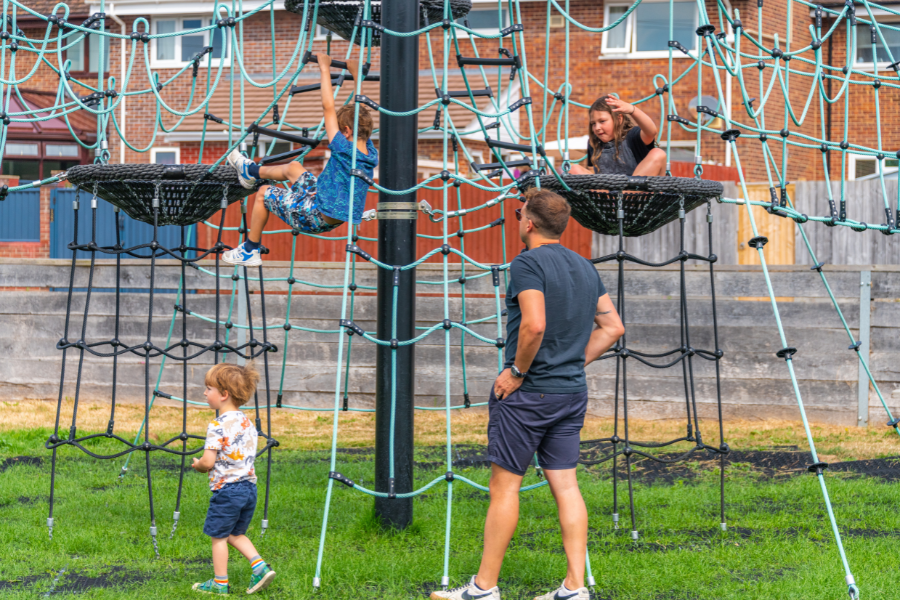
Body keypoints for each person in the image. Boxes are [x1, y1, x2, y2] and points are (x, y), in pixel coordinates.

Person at [429, 188, 625, 600]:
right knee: (567, 486)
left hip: (529, 395)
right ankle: (575, 588)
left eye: (519, 213)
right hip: (571, 393)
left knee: (504, 488)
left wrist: (517, 371)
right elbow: (613, 328)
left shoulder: (528, 263)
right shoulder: (585, 267)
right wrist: (573, 362)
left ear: (530, 223)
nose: (517, 218)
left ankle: (483, 589)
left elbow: (534, 325)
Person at [223, 53, 378, 267]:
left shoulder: (343, 147)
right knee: (294, 168)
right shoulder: (369, 152)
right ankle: (251, 172)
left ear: (346, 131)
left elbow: (328, 108)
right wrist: (356, 78)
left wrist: (324, 68)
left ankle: (250, 250)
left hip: (315, 215)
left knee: (263, 194)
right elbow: (360, 114)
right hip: (323, 202)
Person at [191, 362, 275, 595]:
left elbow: (208, 462)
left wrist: (199, 465)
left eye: (208, 388)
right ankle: (259, 567)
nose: (205, 393)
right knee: (235, 534)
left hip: (227, 491)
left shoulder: (217, 425)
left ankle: (220, 583)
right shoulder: (248, 423)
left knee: (218, 536)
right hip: (249, 489)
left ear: (224, 394)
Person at [568, 94, 665, 177]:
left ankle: (626, 195)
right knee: (574, 169)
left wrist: (632, 110)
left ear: (619, 119)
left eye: (602, 121)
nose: (597, 127)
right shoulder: (594, 142)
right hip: (607, 194)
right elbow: (592, 171)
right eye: (593, 123)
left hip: (637, 193)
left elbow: (651, 131)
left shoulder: (632, 136)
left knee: (658, 153)